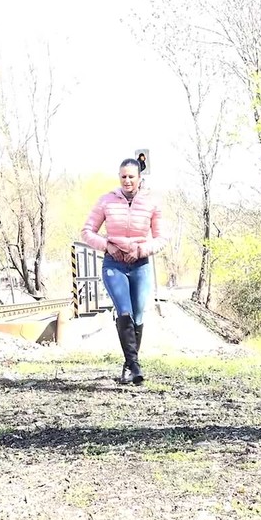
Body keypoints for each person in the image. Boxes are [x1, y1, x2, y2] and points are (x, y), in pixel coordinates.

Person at [79, 158, 167, 384]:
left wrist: (140, 250)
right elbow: (87, 232)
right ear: (119, 178)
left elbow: (161, 238)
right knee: (124, 312)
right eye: (123, 177)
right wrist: (107, 245)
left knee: (138, 315)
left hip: (140, 265)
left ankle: (129, 365)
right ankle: (135, 366)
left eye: (131, 177)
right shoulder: (106, 201)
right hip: (114, 264)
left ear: (139, 178)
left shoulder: (151, 203)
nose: (127, 181)